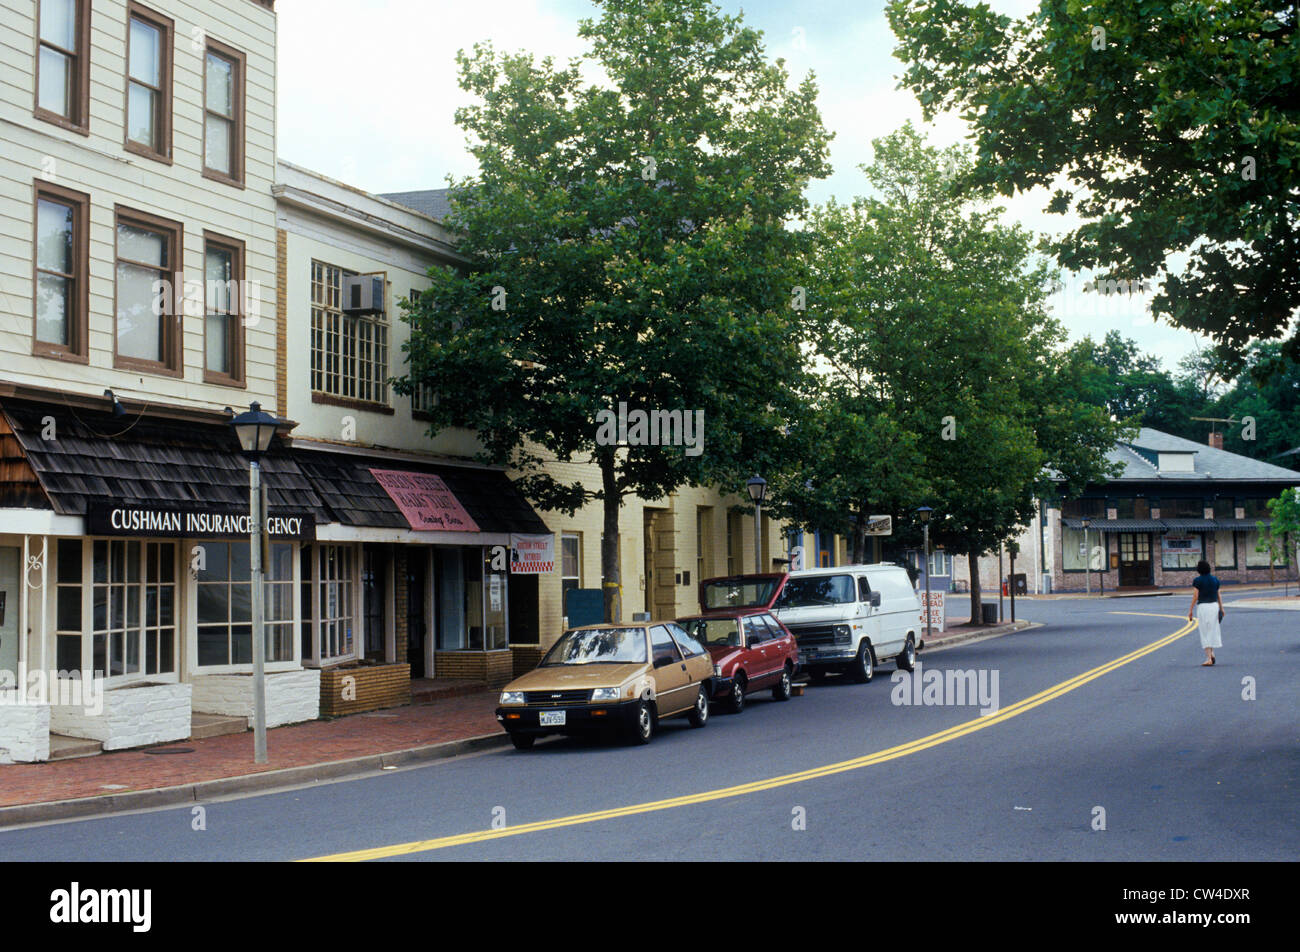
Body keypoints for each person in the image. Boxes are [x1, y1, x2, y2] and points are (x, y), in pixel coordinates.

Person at [1188, 560, 1224, 666]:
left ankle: (1209, 657)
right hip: (1214, 606)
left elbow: (1196, 596)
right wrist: (1222, 608)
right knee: (1212, 630)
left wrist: (1190, 610)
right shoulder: (1215, 580)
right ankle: (1211, 653)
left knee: (1205, 631)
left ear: (1199, 569)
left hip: (1203, 607)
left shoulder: (1197, 580)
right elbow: (1218, 595)